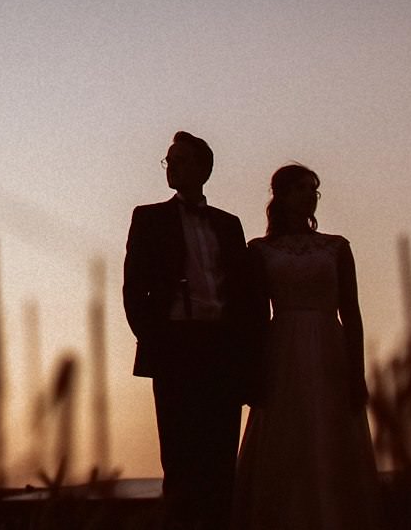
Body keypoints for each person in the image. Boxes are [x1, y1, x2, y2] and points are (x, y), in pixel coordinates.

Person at [230, 163, 383, 530]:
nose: (309, 197)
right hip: (282, 348)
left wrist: (357, 372)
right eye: (300, 189)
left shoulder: (337, 248)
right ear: (281, 197)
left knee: (331, 435)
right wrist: (256, 371)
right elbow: (254, 316)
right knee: (287, 437)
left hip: (330, 347)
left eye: (313, 190)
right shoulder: (261, 250)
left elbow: (352, 311)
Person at [123, 132, 260, 530]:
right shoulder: (148, 217)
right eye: (168, 161)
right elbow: (134, 288)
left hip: (221, 348)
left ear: (203, 168)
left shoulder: (228, 224)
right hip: (176, 347)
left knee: (220, 462)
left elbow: (244, 294)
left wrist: (245, 354)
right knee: (180, 461)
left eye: (180, 160)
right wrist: (156, 341)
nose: (172, 167)